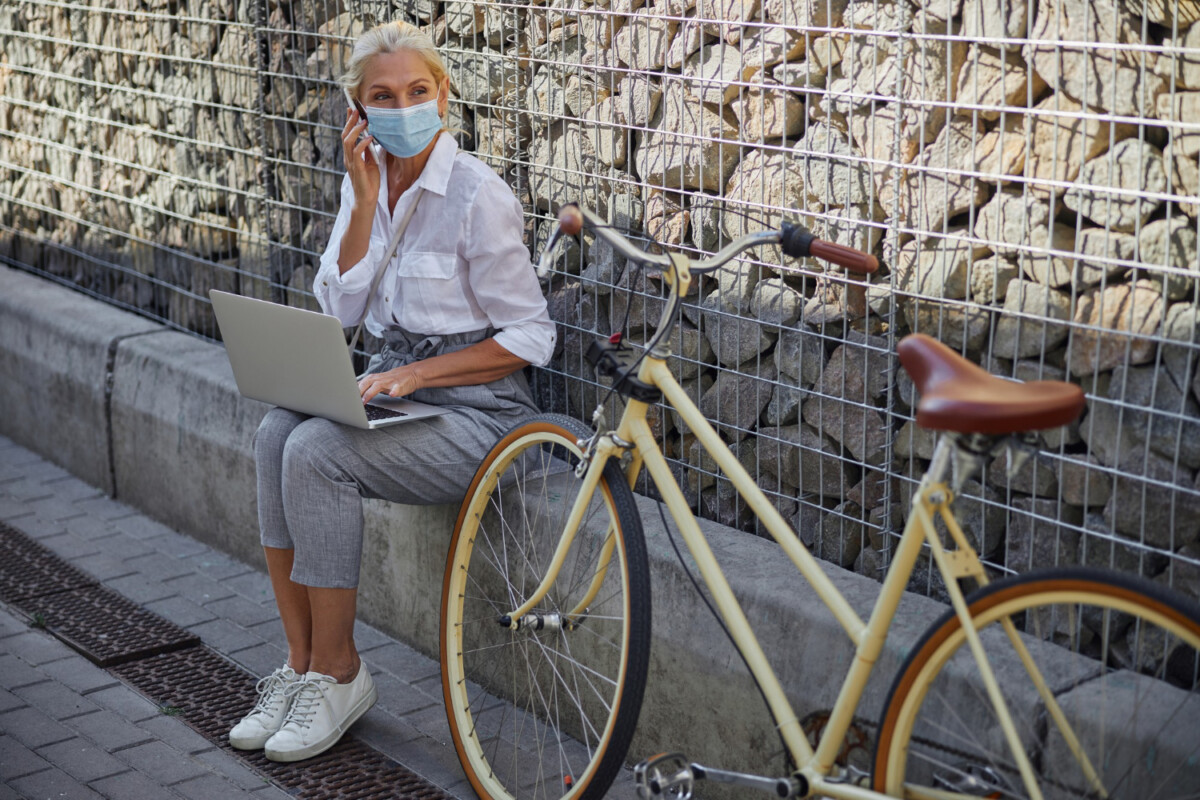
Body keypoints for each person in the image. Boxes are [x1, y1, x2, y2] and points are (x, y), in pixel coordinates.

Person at [226, 20, 555, 763]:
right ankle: (303, 665)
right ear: (358, 109)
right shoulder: (364, 182)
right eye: (383, 94)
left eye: (418, 90)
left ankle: (342, 672)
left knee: (313, 451)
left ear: (444, 94)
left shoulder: (478, 195)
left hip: (483, 414)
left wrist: (418, 374)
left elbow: (532, 336)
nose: (403, 106)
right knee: (275, 432)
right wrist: (363, 201)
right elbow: (337, 314)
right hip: (397, 392)